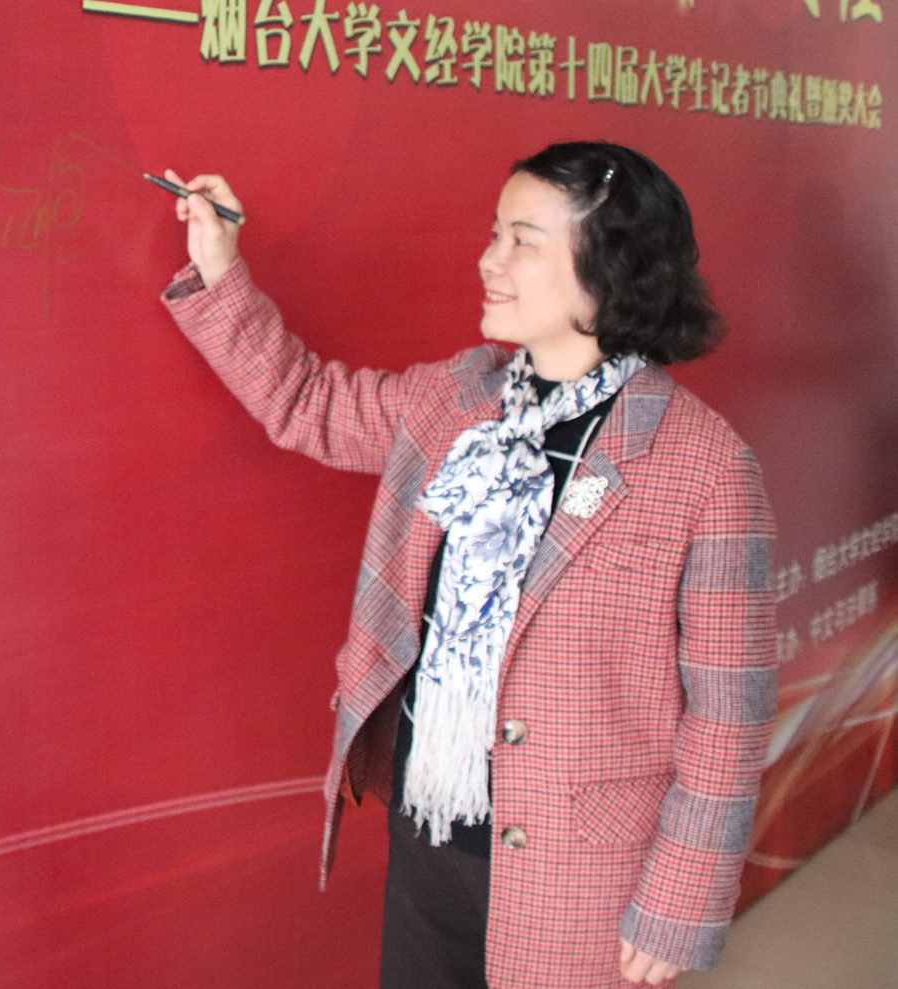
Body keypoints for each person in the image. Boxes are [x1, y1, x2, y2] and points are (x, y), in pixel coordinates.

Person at [157, 142, 777, 989]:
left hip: (579, 868)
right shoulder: (455, 399)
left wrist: (681, 898)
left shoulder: (704, 467)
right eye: (494, 233)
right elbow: (307, 401)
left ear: (611, 267)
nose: (490, 260)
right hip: (431, 826)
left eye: (523, 241)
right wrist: (220, 266)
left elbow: (729, 717)